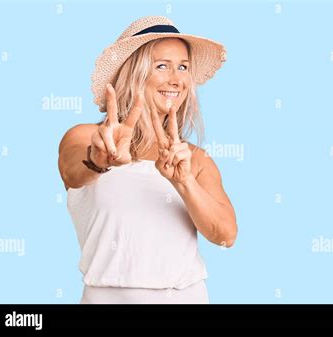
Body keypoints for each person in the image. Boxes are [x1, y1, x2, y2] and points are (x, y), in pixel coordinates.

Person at [58, 16, 237, 304]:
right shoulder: (86, 137)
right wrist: (99, 159)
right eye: (162, 66)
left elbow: (225, 235)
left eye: (183, 67)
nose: (176, 79)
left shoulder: (195, 159)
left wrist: (184, 182)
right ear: (135, 73)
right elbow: (71, 171)